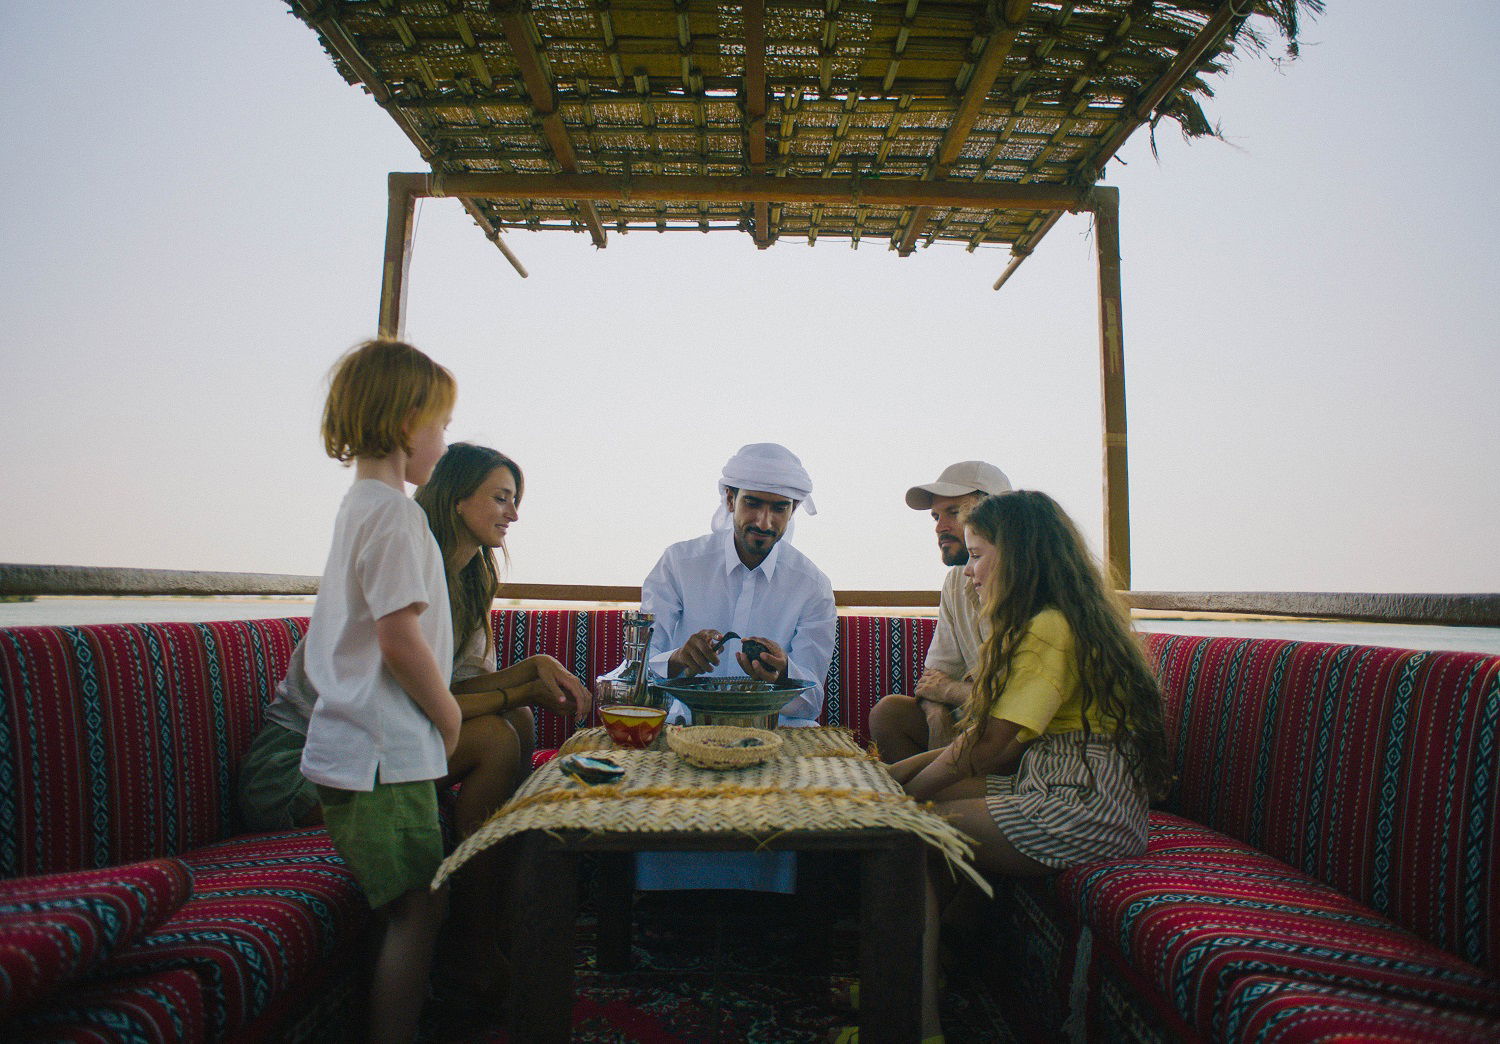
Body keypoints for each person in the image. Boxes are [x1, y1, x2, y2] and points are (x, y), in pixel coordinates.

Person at [239, 441, 590, 999]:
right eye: (501, 498)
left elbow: (448, 690)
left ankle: (485, 931)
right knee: (501, 736)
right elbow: (404, 701)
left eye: (515, 500)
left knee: (518, 721)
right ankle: (473, 952)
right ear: (456, 499)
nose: (514, 514)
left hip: (377, 746)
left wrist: (533, 671)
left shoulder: (470, 576)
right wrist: (515, 691)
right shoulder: (400, 563)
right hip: (304, 765)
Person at [886, 490, 1171, 1039]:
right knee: (916, 813)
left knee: (911, 839)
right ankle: (924, 972)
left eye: (977, 555)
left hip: (1083, 805)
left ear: (1016, 556)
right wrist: (892, 781)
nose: (969, 573)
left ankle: (910, 1024)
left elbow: (993, 747)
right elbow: (979, 740)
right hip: (1061, 786)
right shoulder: (1051, 620)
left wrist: (904, 796)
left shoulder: (1048, 629)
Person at [637, 442, 836, 891]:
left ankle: (770, 910)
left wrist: (785, 674)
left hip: (773, 737)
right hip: (685, 731)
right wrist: (679, 661)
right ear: (730, 500)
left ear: (793, 511)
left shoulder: (812, 586)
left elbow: (812, 702)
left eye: (779, 508)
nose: (764, 522)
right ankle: (663, 904)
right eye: (753, 504)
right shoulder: (678, 564)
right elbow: (644, 670)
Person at [869, 461, 1013, 762]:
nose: (939, 527)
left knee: (906, 785)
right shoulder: (955, 581)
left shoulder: (1033, 587)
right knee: (889, 714)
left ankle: (923, 799)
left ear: (995, 518)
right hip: (970, 723)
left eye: (954, 513)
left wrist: (949, 693)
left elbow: (1017, 705)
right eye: (936, 516)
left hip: (1016, 734)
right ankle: (920, 800)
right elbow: (936, 675)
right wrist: (936, 717)